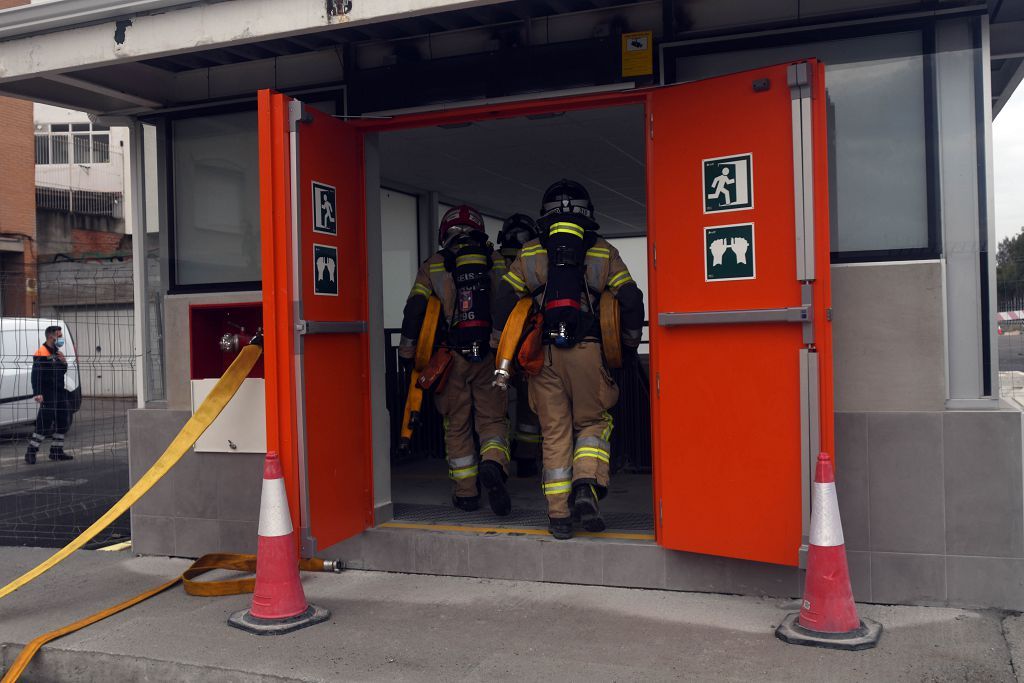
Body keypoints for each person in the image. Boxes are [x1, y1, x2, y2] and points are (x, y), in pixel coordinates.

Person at [494, 180, 644, 539]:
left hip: (543, 356)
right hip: (589, 352)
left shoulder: (530, 253)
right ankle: (586, 486)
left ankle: (559, 517)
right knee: (593, 422)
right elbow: (631, 299)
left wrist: (503, 349)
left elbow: (505, 299)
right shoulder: (604, 252)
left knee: (555, 432)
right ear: (587, 212)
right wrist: (627, 344)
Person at [398, 205, 512, 515]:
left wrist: (408, 354)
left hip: (450, 358)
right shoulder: (497, 261)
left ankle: (466, 494)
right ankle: (492, 464)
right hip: (490, 355)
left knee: (457, 426)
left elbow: (414, 311)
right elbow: (512, 302)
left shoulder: (433, 266)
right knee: (491, 421)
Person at [497, 213, 543, 478]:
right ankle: (526, 460)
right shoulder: (536, 258)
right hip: (530, 346)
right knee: (531, 406)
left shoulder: (495, 264)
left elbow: (500, 298)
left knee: (494, 409)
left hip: (500, 345)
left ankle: (496, 461)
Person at [25, 325, 74, 464]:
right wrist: (38, 392)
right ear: (51, 336)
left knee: (63, 420)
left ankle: (56, 451)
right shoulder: (41, 353)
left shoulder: (57, 352)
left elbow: (60, 372)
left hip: (59, 391)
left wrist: (64, 363)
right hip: (47, 392)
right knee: (44, 423)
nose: (61, 338)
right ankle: (31, 452)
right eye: (59, 336)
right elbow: (36, 375)